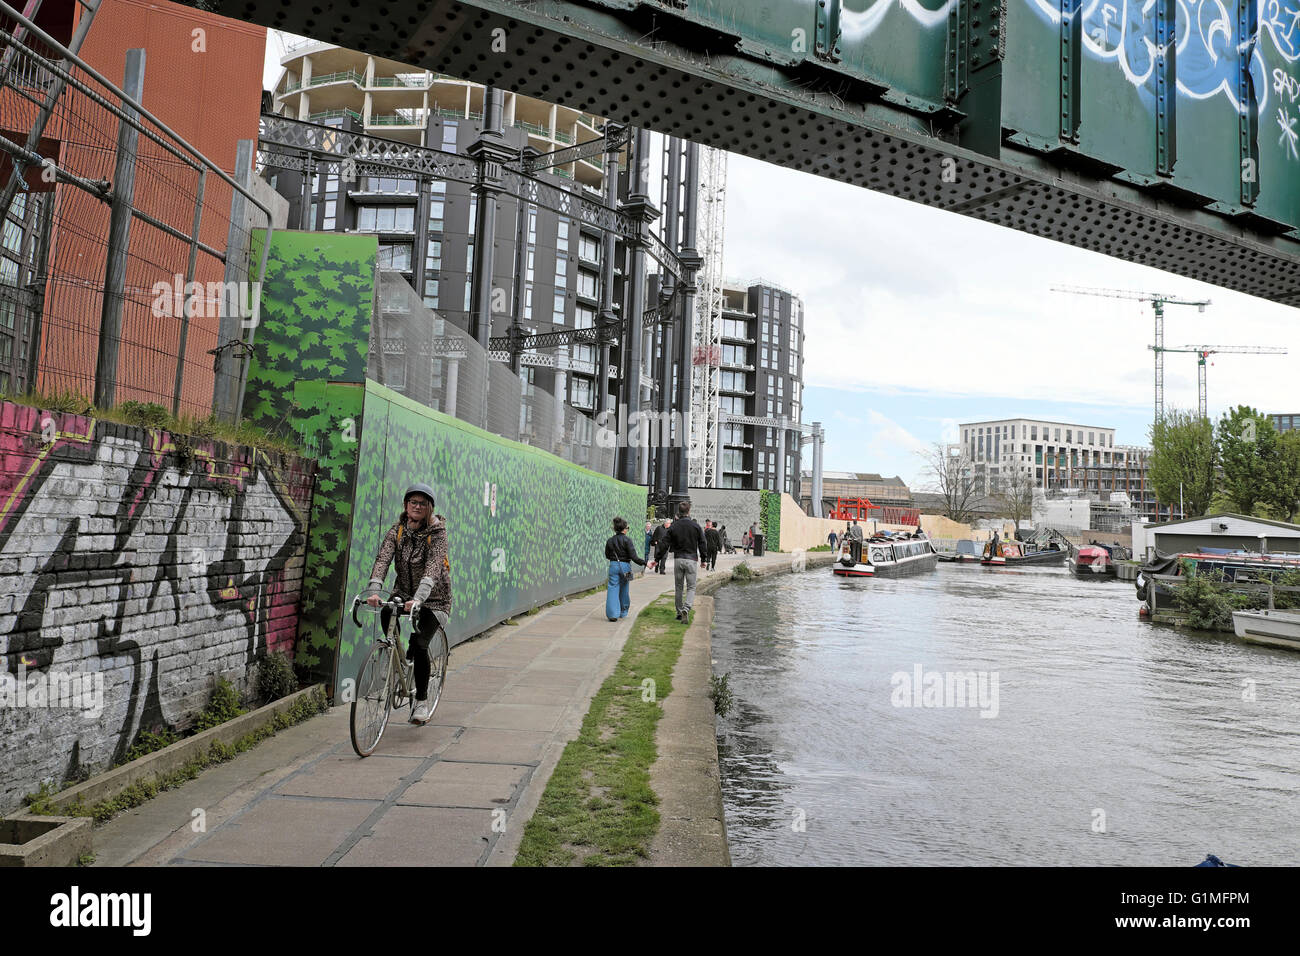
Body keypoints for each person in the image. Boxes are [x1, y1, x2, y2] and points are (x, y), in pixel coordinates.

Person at [367, 482, 452, 725]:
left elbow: (434, 567)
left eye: (422, 504)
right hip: (404, 592)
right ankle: (396, 657)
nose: (417, 506)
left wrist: (420, 598)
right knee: (386, 610)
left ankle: (422, 703)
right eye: (413, 502)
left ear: (429, 508)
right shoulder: (397, 530)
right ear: (406, 505)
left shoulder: (438, 533)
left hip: (435, 599)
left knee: (420, 642)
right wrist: (374, 591)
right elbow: (383, 559)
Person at [667, 499, 707, 623]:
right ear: (689, 511)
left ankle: (679, 612)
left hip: (678, 559)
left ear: (679, 511)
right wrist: (704, 559)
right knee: (691, 587)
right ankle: (687, 608)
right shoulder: (696, 526)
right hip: (691, 559)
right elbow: (702, 543)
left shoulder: (674, 526)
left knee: (678, 587)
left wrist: (657, 559)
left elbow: (664, 542)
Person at [604, 516, 647, 621]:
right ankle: (623, 611)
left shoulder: (610, 541)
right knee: (625, 587)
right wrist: (644, 563)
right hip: (626, 567)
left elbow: (607, 555)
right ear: (624, 529)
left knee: (613, 588)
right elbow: (634, 557)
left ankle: (613, 614)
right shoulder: (628, 540)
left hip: (613, 565)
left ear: (615, 528)